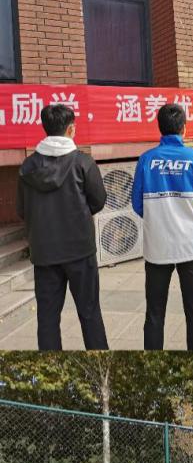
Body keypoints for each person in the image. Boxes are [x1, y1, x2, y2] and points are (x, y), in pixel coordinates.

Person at [17, 103, 108, 350]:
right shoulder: (83, 162)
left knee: (47, 319)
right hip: (80, 251)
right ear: (70, 129)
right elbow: (98, 201)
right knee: (90, 314)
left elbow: (22, 210)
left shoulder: (27, 167)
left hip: (44, 253)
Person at [132, 103, 193, 351]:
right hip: (191, 246)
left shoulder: (146, 160)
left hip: (158, 247)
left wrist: (159, 218)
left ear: (160, 128)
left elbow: (137, 204)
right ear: (184, 128)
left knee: (155, 312)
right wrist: (188, 219)